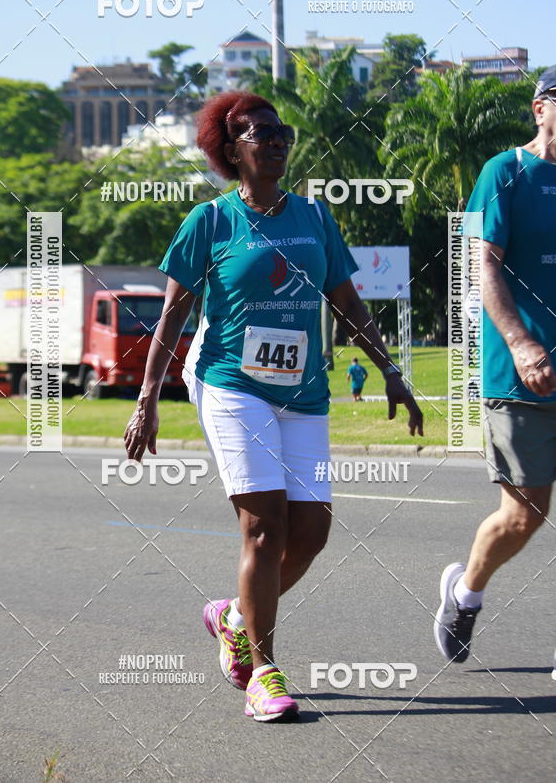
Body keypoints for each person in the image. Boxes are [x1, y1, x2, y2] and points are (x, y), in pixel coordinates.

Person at [125, 90, 424, 721]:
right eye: (260, 132)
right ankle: (263, 668)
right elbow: (174, 317)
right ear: (232, 150)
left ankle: (234, 615)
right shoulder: (210, 221)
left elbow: (347, 302)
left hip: (305, 394)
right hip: (234, 386)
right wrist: (147, 397)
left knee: (311, 533)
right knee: (264, 527)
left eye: (280, 130)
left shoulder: (316, 218)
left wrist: (391, 371)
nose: (277, 139)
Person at [434, 67, 556, 665]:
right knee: (525, 513)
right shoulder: (503, 173)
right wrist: (521, 342)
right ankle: (466, 593)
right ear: (540, 108)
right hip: (522, 374)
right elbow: (481, 265)